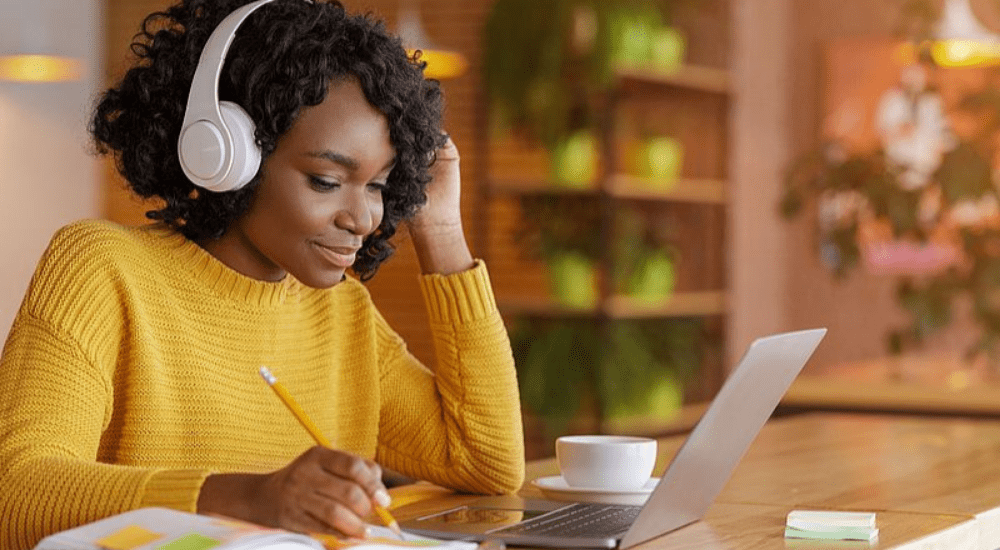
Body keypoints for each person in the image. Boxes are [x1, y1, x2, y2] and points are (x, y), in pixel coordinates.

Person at [0, 1, 525, 548]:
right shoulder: (102, 270)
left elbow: (486, 461)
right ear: (224, 154)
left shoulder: (340, 312)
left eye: (379, 185)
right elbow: (14, 492)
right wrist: (251, 500)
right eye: (326, 180)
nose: (364, 218)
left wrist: (439, 227)